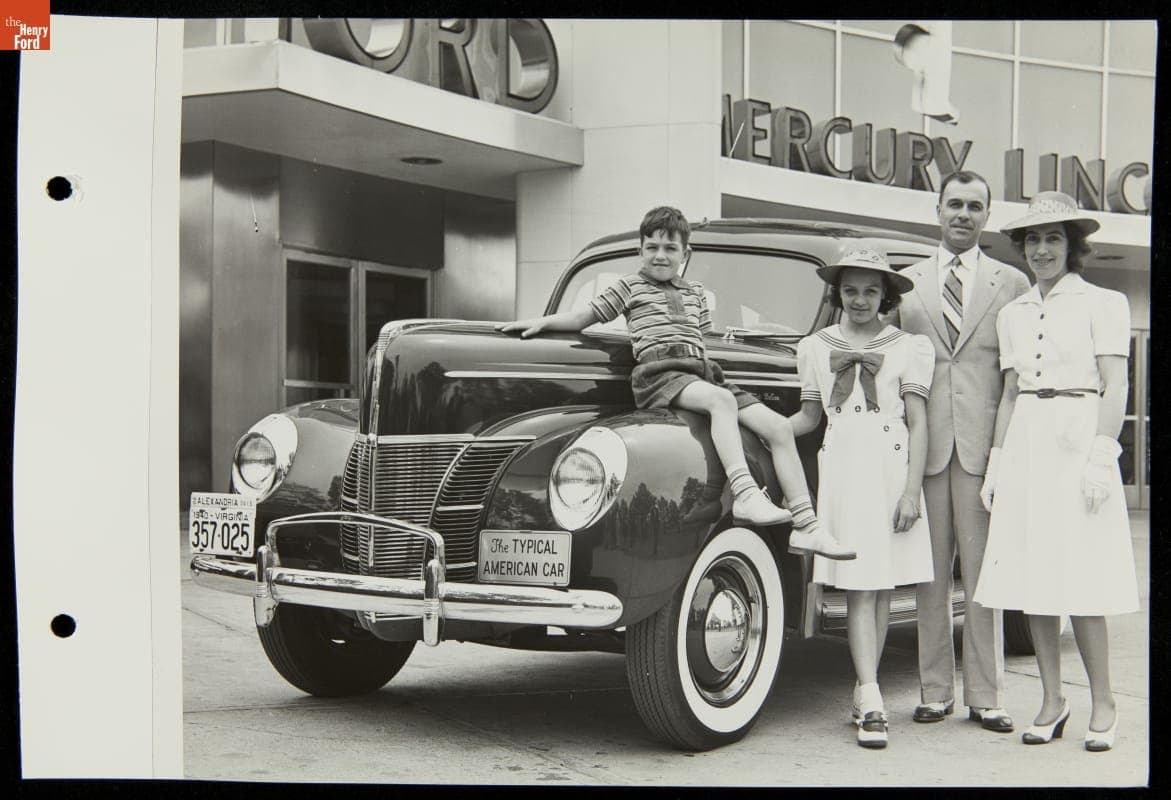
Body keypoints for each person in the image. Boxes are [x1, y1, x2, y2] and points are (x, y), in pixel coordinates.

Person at [497, 205, 854, 559]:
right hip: (660, 374)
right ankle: (746, 494)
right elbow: (584, 316)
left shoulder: (695, 293)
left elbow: (705, 341)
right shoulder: (630, 287)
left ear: (686, 254)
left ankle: (808, 527)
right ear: (640, 250)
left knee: (778, 428)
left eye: (670, 249)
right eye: (651, 247)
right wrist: (542, 323)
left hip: (702, 372)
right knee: (721, 403)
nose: (660, 255)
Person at [974, 191, 1139, 752]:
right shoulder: (1013, 313)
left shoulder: (1104, 302)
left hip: (1079, 437)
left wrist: (1102, 452)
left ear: (1073, 247)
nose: (1042, 249)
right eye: (1033, 240)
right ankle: (1051, 699)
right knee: (1034, 580)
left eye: (1053, 239)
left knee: (1084, 580)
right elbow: (1010, 392)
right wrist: (997, 463)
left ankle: (1105, 701)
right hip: (1027, 441)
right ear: (1022, 248)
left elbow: (1115, 384)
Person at [894, 171, 1030, 733]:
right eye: (955, 204)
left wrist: (1005, 453)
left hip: (982, 451)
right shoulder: (905, 284)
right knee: (929, 574)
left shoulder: (1013, 283)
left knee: (982, 576)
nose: (964, 215)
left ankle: (987, 696)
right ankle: (933, 691)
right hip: (925, 447)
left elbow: (1017, 375)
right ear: (937, 209)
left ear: (987, 216)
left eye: (976, 206)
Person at [790, 248, 935, 748]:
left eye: (870, 290)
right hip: (845, 469)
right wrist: (761, 426)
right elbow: (809, 418)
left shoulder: (908, 347)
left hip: (890, 468)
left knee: (882, 585)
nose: (859, 299)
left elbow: (918, 422)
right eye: (850, 290)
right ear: (838, 293)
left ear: (886, 297)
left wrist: (912, 491)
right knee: (859, 584)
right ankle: (870, 695)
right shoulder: (815, 347)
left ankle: (866, 693)